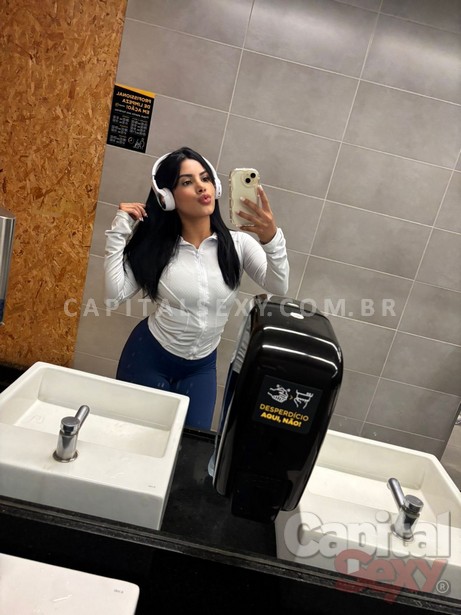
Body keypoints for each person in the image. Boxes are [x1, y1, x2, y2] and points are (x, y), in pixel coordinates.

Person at [104, 146, 289, 431]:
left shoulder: (238, 245)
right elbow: (114, 295)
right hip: (149, 357)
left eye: (205, 178)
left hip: (201, 368)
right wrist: (119, 231)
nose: (201, 187)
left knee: (191, 445)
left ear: (215, 187)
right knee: (136, 438)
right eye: (187, 182)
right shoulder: (156, 249)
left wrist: (271, 239)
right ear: (167, 197)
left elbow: (278, 285)